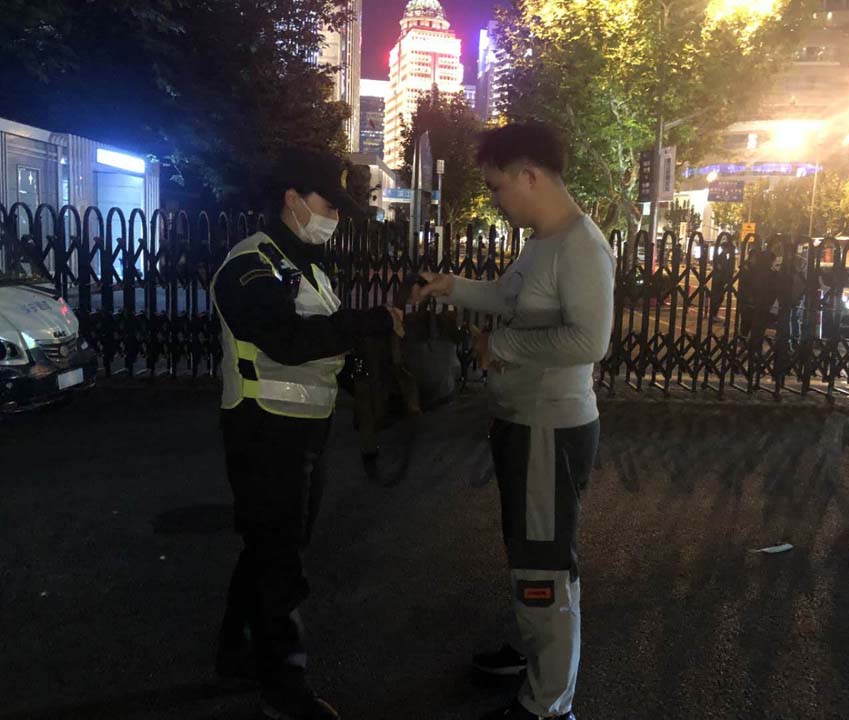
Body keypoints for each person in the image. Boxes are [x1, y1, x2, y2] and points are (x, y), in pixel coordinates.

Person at [414, 122, 615, 720]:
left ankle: (548, 704)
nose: (496, 199)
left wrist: (500, 347)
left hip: (550, 428)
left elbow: (591, 340)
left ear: (529, 175)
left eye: (497, 187)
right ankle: (537, 658)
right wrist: (452, 287)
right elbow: (507, 296)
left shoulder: (581, 245)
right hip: (525, 422)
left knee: (543, 564)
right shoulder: (542, 242)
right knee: (531, 551)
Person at [210, 148, 403, 720]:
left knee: (271, 546)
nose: (335, 218)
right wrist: (365, 324)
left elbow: (325, 352)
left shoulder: (309, 268)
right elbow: (286, 342)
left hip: (302, 431)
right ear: (292, 199)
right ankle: (283, 686)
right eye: (328, 205)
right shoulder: (251, 265)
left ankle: (235, 652)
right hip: (263, 429)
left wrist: (368, 384)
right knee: (279, 559)